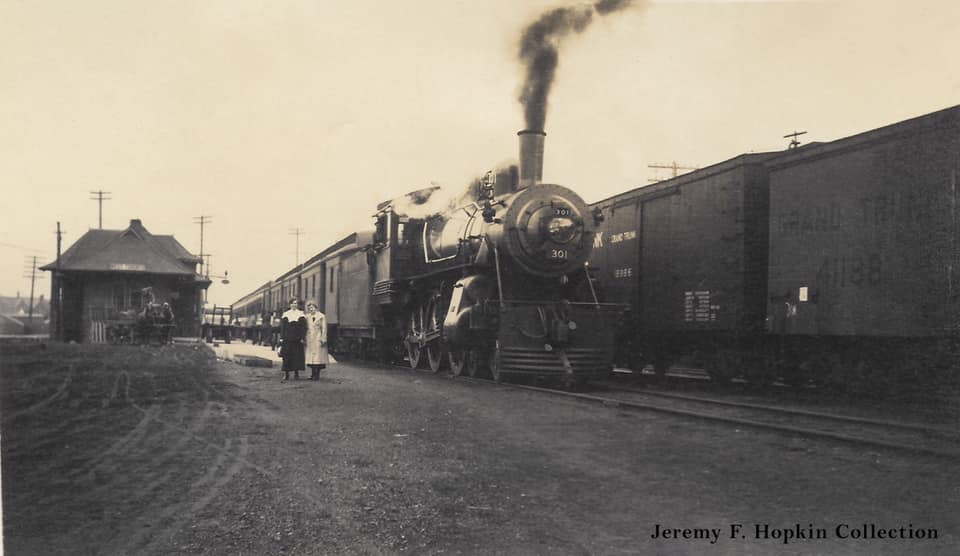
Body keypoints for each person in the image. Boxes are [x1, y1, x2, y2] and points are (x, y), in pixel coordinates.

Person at [279, 298, 306, 381]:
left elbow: (303, 328)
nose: (294, 305)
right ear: (290, 304)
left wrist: (302, 337)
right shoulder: (285, 314)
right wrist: (281, 338)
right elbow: (283, 328)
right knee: (287, 356)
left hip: (297, 339)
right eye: (293, 303)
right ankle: (286, 374)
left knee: (297, 356)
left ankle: (296, 373)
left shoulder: (301, 314)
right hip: (287, 339)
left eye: (296, 303)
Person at [304, 299, 328, 380]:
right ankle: (312, 374)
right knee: (311, 358)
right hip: (310, 338)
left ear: (316, 307)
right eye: (310, 308)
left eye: (313, 307)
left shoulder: (321, 316)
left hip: (318, 337)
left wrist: (323, 338)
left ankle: (317, 375)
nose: (311, 309)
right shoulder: (307, 317)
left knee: (318, 357)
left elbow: (324, 328)